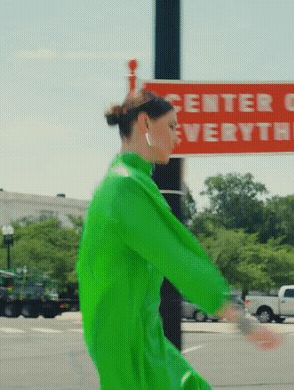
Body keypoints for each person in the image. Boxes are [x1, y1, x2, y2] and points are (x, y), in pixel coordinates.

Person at [77, 89, 281, 390]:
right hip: (130, 347)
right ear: (145, 124)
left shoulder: (124, 182)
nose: (177, 136)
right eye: (171, 126)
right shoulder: (125, 187)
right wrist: (242, 321)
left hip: (140, 338)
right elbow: (178, 257)